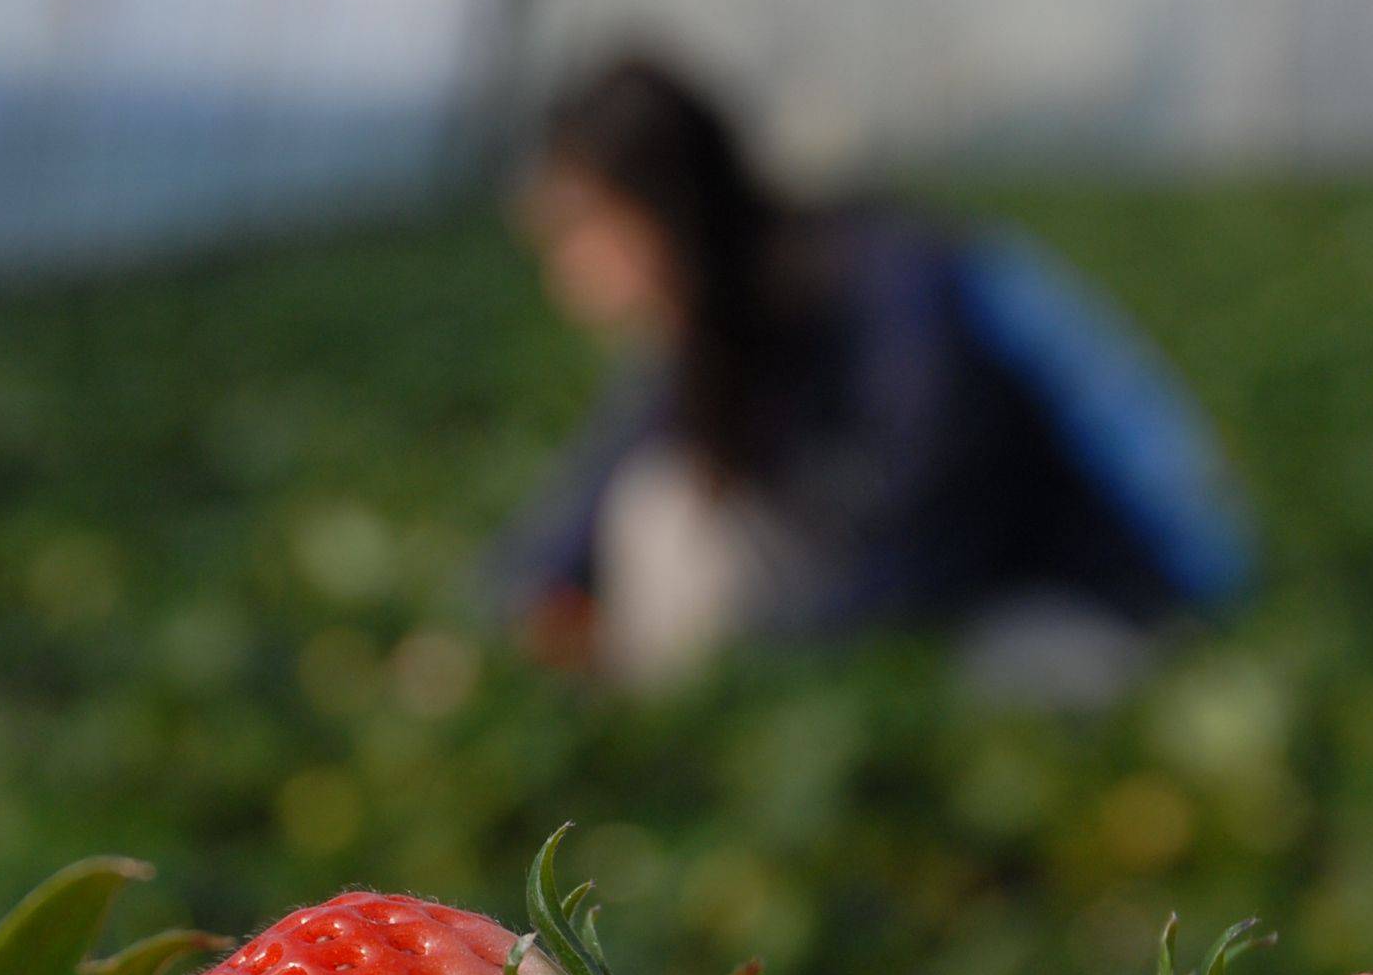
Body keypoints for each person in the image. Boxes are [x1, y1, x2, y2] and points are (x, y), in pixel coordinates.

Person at [487, 57, 1251, 696]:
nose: (569, 276)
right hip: (937, 601)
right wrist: (513, 618)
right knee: (662, 509)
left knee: (968, 701)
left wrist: (769, 681)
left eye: (578, 236)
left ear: (658, 210)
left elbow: (931, 518)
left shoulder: (898, 283)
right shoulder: (718, 318)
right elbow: (583, 507)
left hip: (1105, 596)